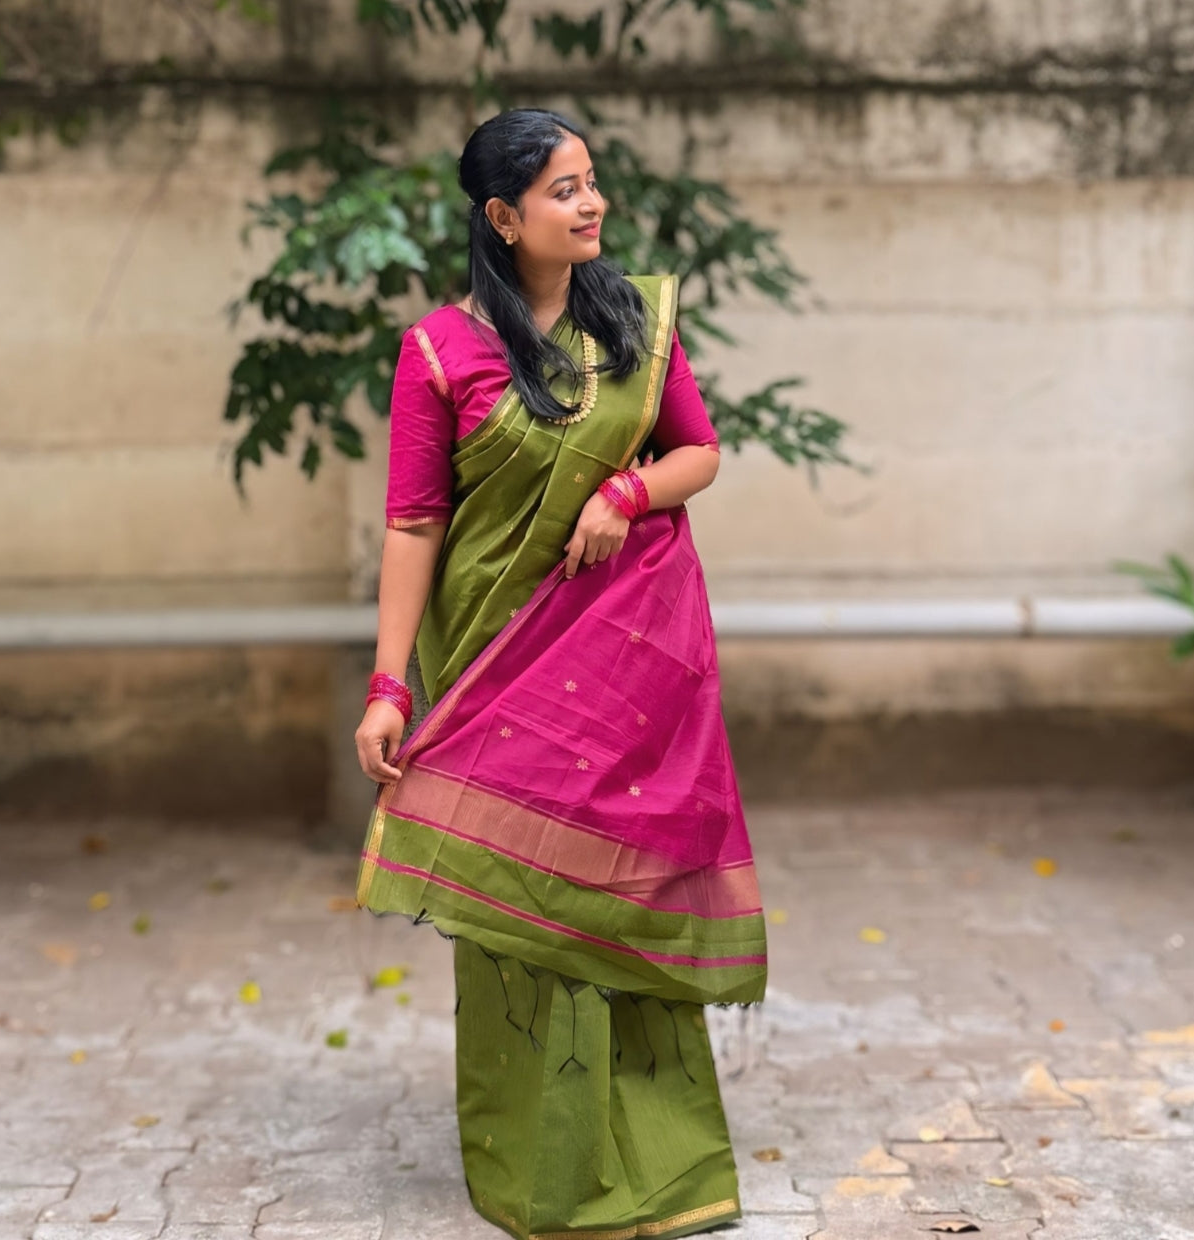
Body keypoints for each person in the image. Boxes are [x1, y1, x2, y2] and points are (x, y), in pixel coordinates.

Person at [354, 108, 767, 1240]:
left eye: (592, 183)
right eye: (563, 190)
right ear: (502, 217)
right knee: (516, 891)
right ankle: (538, 1163)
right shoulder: (441, 350)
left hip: (628, 648)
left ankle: (666, 1168)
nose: (590, 206)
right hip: (499, 653)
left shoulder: (634, 320)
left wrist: (620, 492)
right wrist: (390, 683)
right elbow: (412, 523)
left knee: (620, 884)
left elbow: (697, 451)